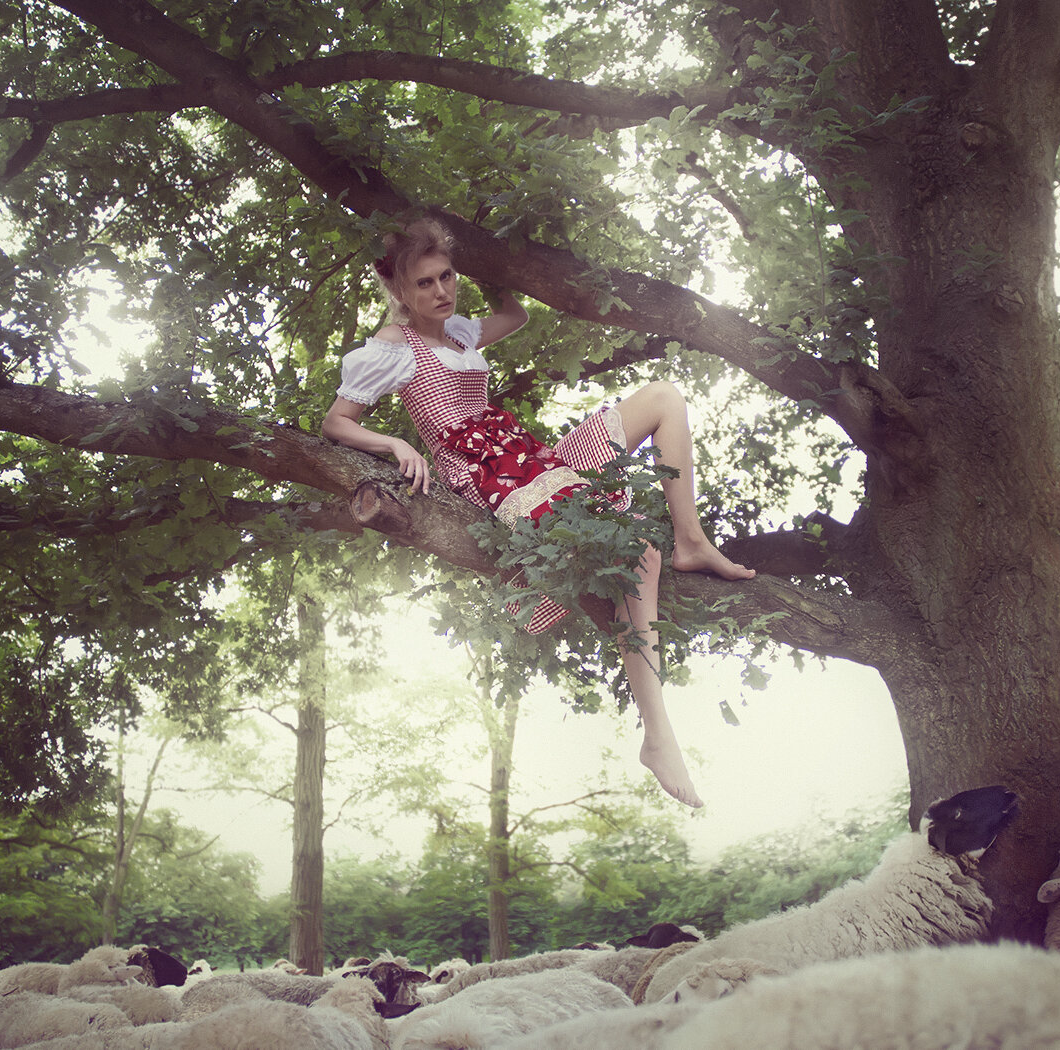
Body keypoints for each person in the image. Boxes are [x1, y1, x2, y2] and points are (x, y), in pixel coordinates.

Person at [322, 217, 754, 807]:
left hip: (529, 456)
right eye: (423, 283)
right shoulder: (396, 347)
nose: (441, 291)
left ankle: (693, 540)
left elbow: (517, 315)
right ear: (400, 292)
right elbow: (335, 422)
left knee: (664, 397)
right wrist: (396, 444)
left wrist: (494, 263)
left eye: (447, 275)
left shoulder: (462, 333)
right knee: (635, 553)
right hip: (481, 473)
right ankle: (658, 734)